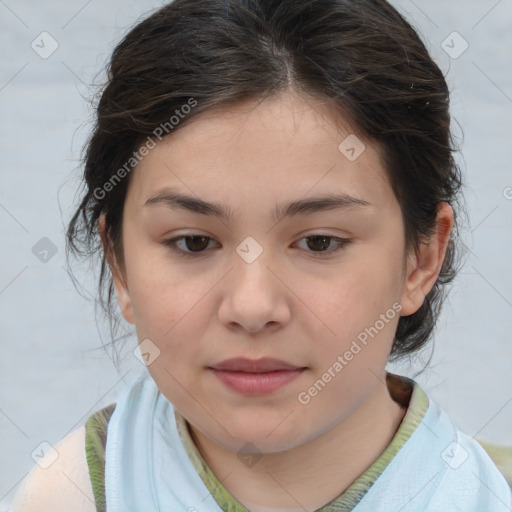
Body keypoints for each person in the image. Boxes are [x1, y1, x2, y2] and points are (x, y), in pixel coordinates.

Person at [11, 0, 512, 510]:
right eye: (194, 242)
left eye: (319, 242)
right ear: (119, 263)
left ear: (421, 258)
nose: (252, 308)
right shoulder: (69, 493)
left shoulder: (489, 494)